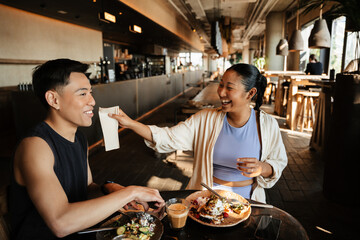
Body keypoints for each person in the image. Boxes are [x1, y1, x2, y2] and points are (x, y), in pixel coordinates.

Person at [9, 59, 164, 240]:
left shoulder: (79, 138)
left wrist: (112, 188)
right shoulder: (35, 146)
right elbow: (61, 223)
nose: (92, 101)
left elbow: (87, 187)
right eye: (82, 94)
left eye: (91, 92)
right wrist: (131, 192)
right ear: (53, 99)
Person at [110, 63, 288, 203]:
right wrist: (131, 124)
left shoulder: (267, 125)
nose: (221, 92)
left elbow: (278, 162)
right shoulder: (206, 119)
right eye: (221, 85)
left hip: (249, 200)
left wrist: (262, 168)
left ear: (250, 93)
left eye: (229, 88)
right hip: (206, 196)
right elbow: (168, 137)